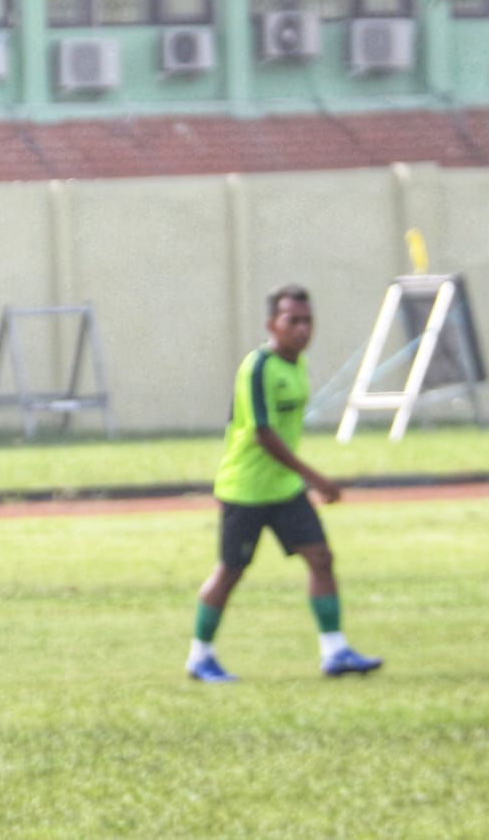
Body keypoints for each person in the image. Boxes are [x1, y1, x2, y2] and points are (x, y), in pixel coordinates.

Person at [186, 283, 382, 683]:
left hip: (283, 488)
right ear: (272, 324)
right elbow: (262, 434)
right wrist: (316, 478)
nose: (302, 329)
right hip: (247, 489)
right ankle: (199, 657)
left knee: (321, 558)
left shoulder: (297, 365)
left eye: (308, 321)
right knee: (231, 571)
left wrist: (300, 480)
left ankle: (335, 651)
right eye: (292, 321)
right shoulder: (258, 367)